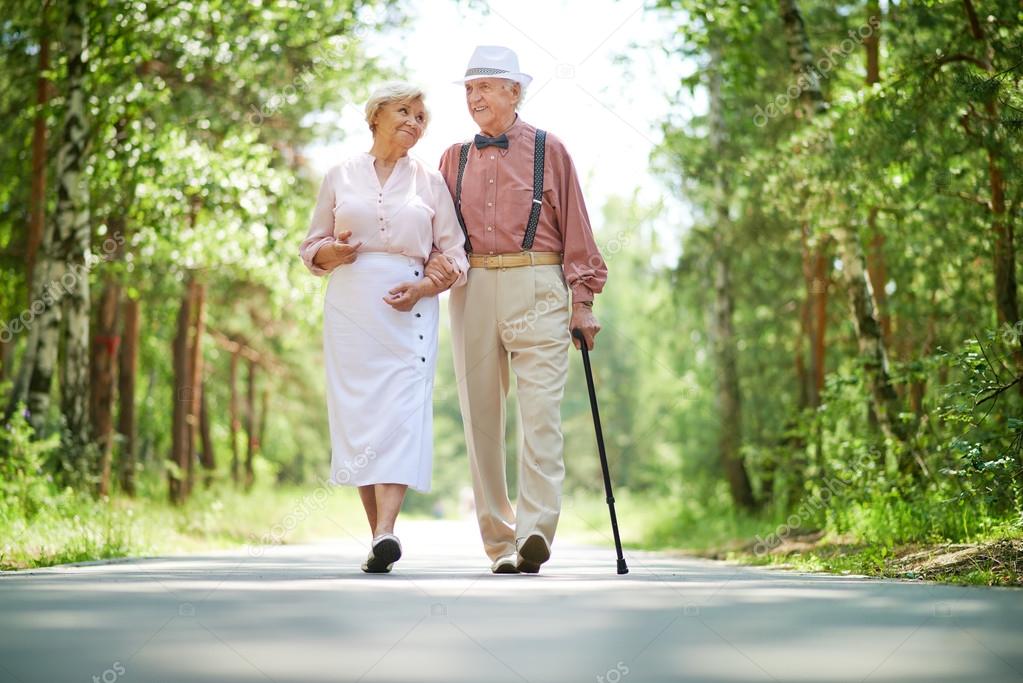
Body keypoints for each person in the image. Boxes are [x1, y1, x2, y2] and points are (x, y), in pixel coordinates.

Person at [427, 46, 608, 574]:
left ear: (514, 92)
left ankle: (534, 530)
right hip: (474, 284)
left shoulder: (550, 150)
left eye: (485, 86)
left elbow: (577, 227)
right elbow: (439, 234)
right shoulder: (451, 158)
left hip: (539, 281)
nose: (475, 97)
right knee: (480, 417)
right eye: (468, 89)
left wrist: (584, 301)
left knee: (541, 415)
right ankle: (499, 543)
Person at [299, 82, 468, 573]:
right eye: (405, 111)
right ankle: (379, 538)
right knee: (359, 418)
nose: (414, 122)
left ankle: (386, 530)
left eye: (421, 117)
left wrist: (422, 287)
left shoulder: (430, 181)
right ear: (375, 116)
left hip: (409, 304)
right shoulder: (339, 174)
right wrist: (334, 252)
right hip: (351, 305)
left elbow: (454, 253)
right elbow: (312, 248)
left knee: (400, 413)